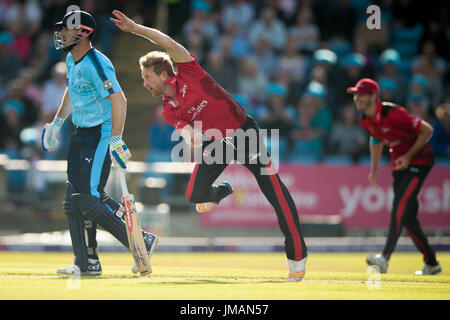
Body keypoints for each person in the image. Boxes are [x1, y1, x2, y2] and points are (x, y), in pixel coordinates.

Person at [110, 9, 308, 282]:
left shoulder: (189, 71)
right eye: (143, 79)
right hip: (221, 142)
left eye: (148, 77)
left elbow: (166, 42)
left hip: (245, 134)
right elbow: (190, 135)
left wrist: (136, 29)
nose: (144, 84)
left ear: (165, 74)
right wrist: (193, 136)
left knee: (275, 193)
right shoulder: (168, 111)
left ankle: (297, 257)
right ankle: (220, 191)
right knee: (195, 195)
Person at [41, 10, 158, 276]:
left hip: (99, 134)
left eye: (66, 29)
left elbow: (119, 100)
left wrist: (116, 137)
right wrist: (57, 123)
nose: (61, 33)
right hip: (80, 133)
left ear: (83, 33)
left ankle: (139, 242)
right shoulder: (71, 59)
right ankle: (86, 262)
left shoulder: (97, 62)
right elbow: (72, 91)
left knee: (87, 198)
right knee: (73, 200)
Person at [347, 78, 441, 275]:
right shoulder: (364, 119)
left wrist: (408, 156)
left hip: (420, 161)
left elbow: (427, 130)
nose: (356, 98)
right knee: (407, 217)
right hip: (400, 164)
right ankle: (432, 263)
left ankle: (385, 258)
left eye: (360, 95)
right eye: (355, 94)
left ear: (373, 97)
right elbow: (376, 139)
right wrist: (374, 169)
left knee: (399, 204)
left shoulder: (395, 114)